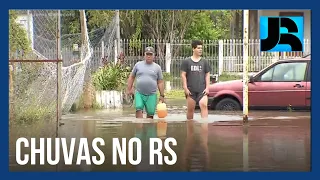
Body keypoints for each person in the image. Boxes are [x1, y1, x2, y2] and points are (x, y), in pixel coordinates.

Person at [126, 47, 165, 119]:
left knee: (150, 114)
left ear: (154, 55)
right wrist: (129, 89)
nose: (148, 56)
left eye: (150, 54)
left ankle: (148, 129)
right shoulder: (138, 65)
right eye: (147, 54)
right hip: (139, 93)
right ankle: (139, 128)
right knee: (138, 108)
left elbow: (160, 82)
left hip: (152, 94)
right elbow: (131, 77)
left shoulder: (157, 68)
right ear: (144, 55)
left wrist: (162, 95)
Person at [181, 40, 212, 120]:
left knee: (203, 105)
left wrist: (207, 88)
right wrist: (185, 88)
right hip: (191, 90)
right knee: (190, 109)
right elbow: (183, 75)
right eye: (198, 48)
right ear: (193, 49)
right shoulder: (186, 61)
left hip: (202, 90)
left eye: (201, 48)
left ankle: (205, 128)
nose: (200, 50)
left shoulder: (204, 62)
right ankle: (189, 129)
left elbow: (207, 74)